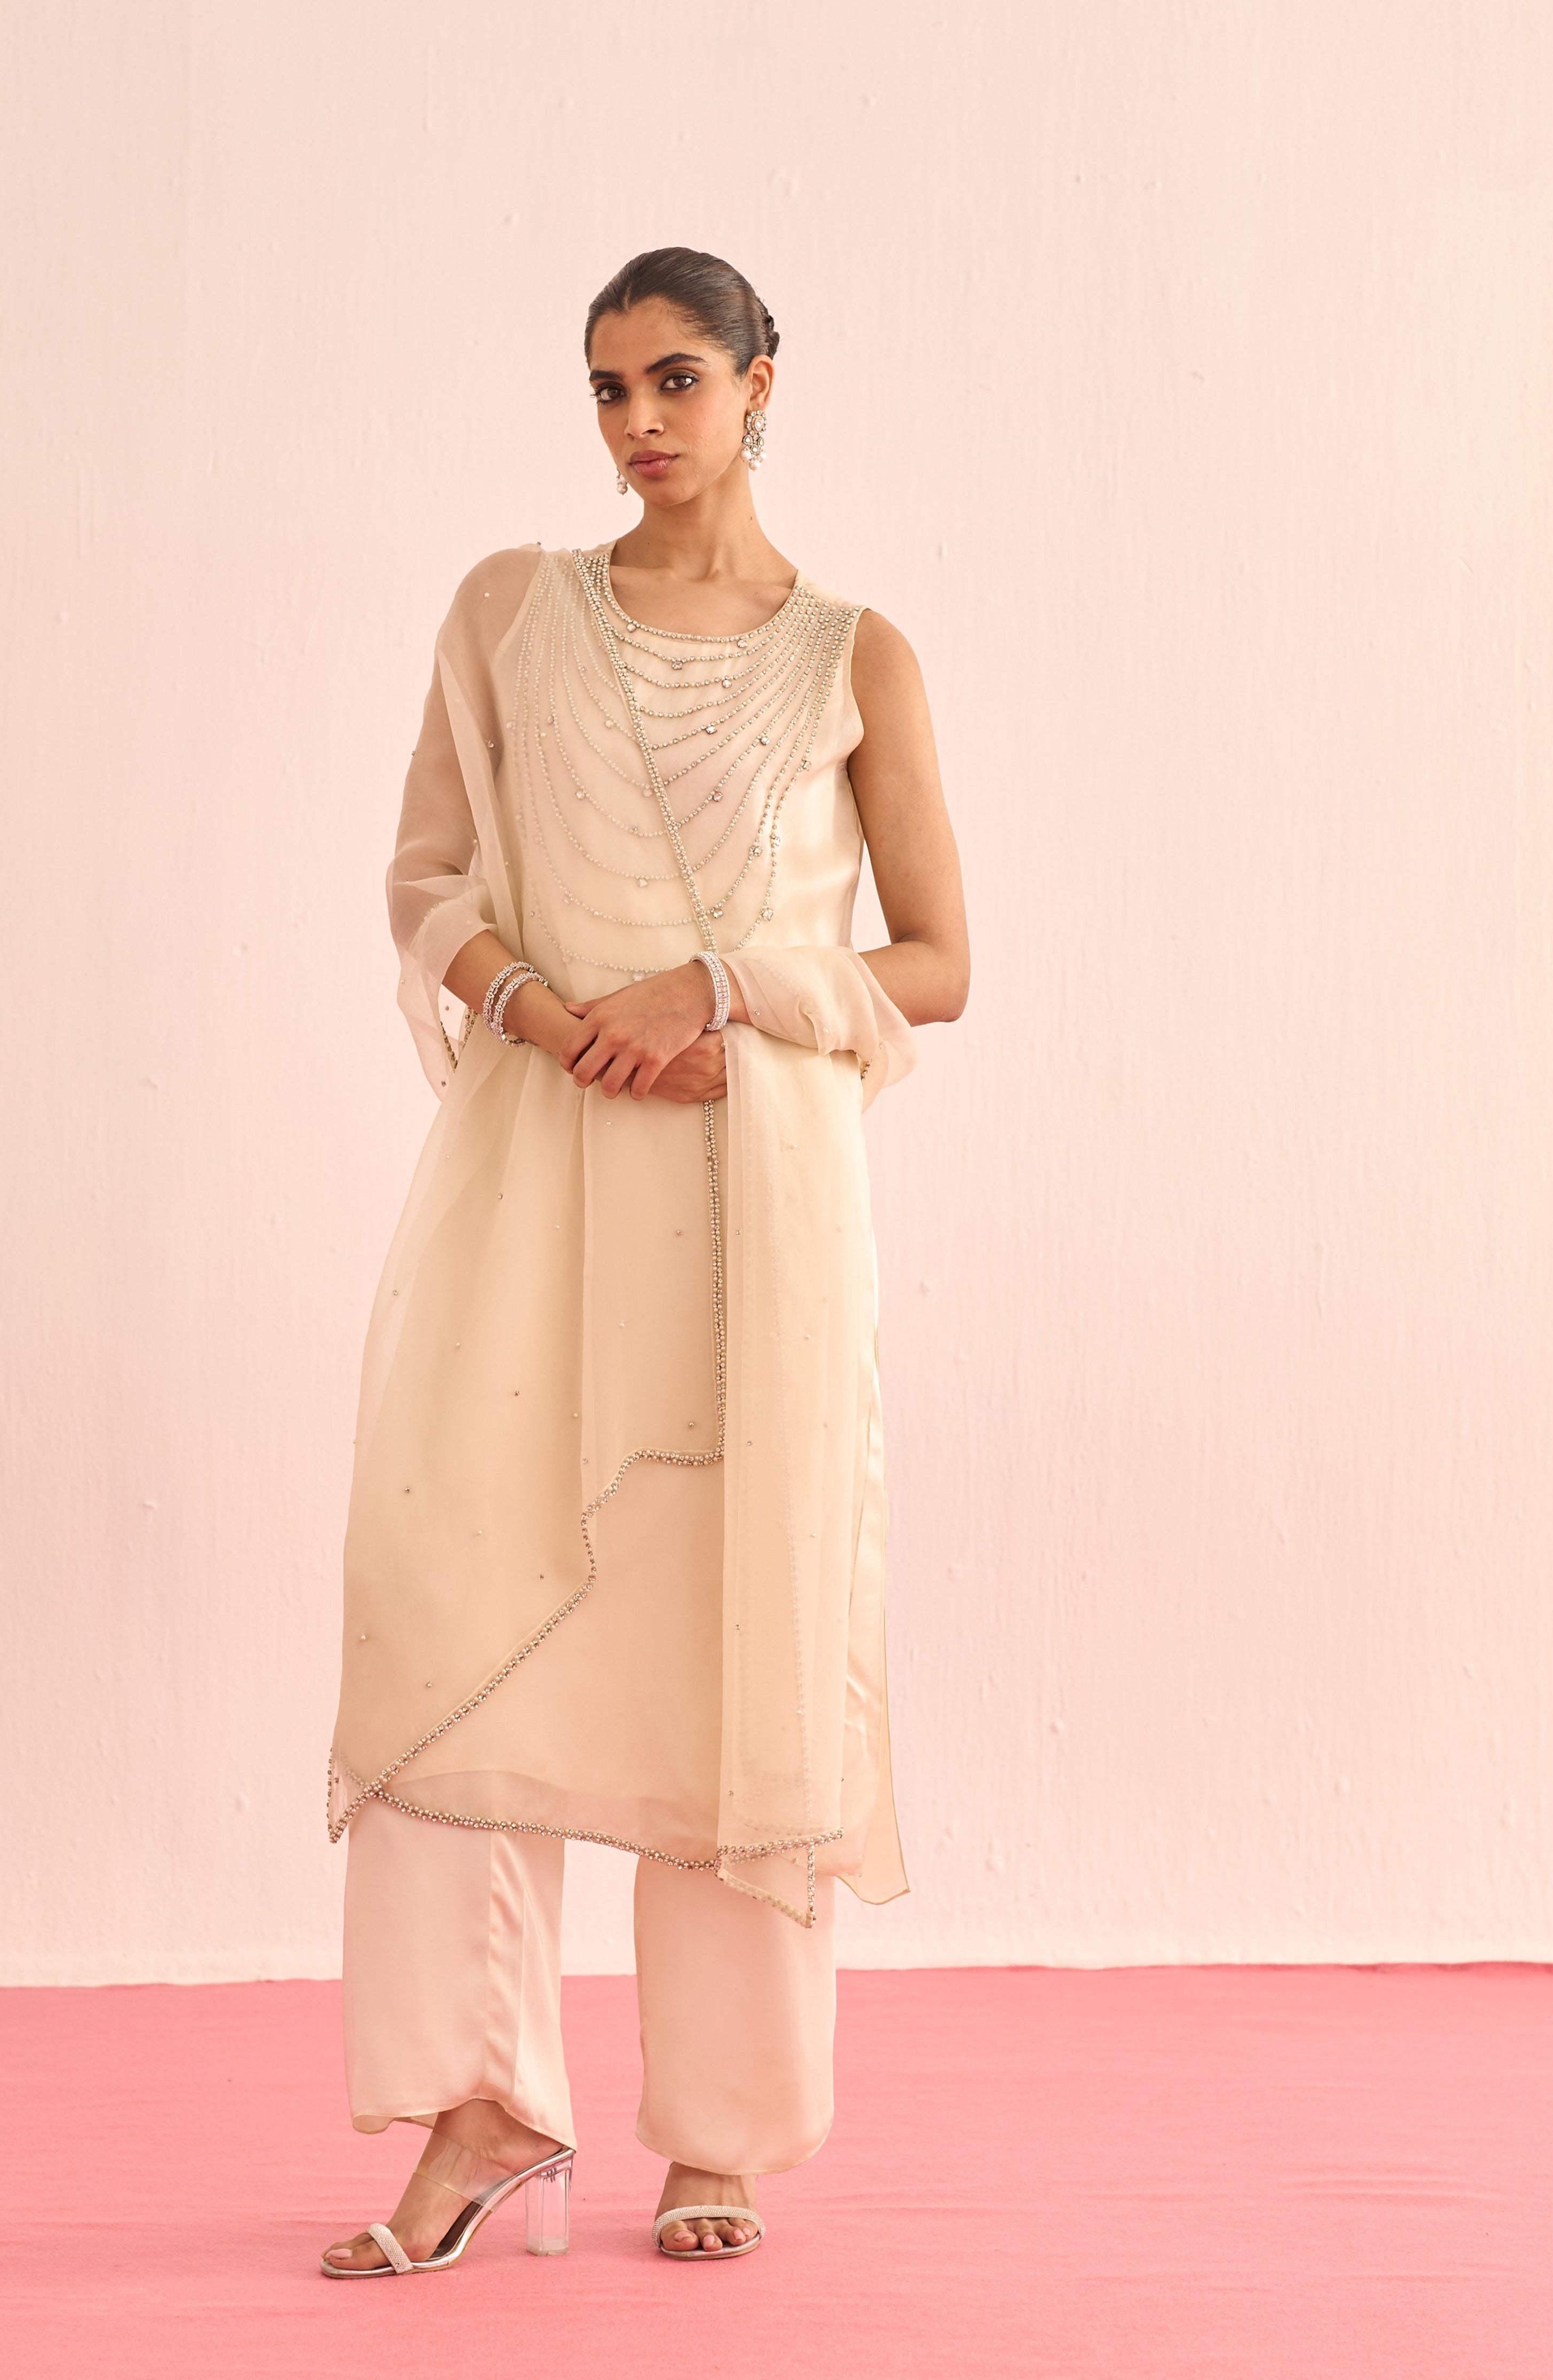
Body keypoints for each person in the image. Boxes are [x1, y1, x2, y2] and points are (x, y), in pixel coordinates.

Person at [320, 247, 969, 2278]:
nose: (638, 424)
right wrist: (540, 1012)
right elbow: (430, 877)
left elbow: (937, 963)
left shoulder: (856, 658)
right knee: (449, 1599)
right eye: (607, 390)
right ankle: (485, 2107)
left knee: (736, 1633)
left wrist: (726, 989)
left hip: (755, 1211)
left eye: (676, 379)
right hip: (535, 1174)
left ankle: (723, 2137)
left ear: (765, 382)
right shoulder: (509, 615)